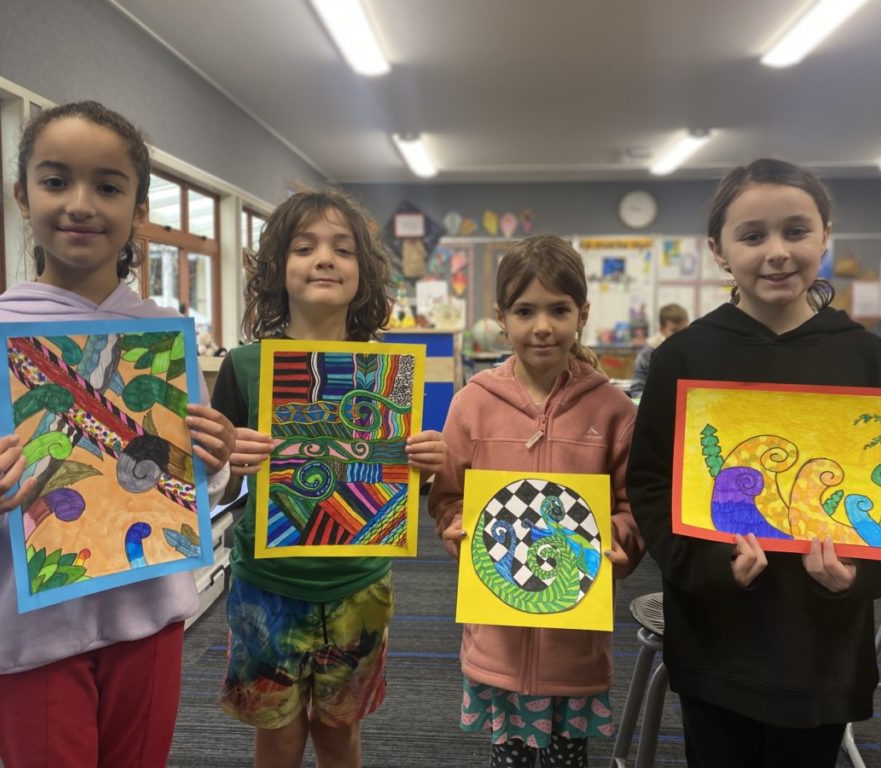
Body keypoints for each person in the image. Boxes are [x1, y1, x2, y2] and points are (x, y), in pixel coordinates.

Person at [0, 101, 235, 767]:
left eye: (108, 186)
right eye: (56, 180)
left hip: (149, 621)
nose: (80, 204)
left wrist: (213, 462)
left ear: (138, 208)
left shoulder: (159, 337)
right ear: (21, 196)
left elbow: (188, 485)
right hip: (29, 635)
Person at [626, 158, 881, 767]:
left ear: (825, 236)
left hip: (821, 646)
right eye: (753, 235)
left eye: (796, 231)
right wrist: (706, 563)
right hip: (717, 637)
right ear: (719, 251)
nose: (777, 252)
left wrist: (862, 575)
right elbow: (649, 483)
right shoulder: (685, 357)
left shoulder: (871, 361)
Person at [212, 189, 447, 768]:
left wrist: (423, 465)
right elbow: (218, 488)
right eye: (304, 247)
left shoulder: (387, 372)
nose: (324, 259)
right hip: (267, 584)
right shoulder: (244, 366)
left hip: (358, 585)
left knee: (340, 731)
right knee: (277, 734)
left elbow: (395, 485)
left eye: (343, 249)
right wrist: (226, 460)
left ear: (363, 274)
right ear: (277, 269)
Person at [428, 234, 645, 768]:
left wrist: (621, 542)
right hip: (498, 633)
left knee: (569, 758)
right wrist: (455, 526)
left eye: (558, 310)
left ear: (582, 315)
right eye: (525, 311)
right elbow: (449, 496)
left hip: (574, 640)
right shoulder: (472, 404)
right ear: (501, 318)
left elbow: (631, 506)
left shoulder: (613, 410)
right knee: (509, 756)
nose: (542, 326)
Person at [628, 303, 689, 398]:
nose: (680, 335)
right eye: (674, 331)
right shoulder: (647, 352)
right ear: (661, 329)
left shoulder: (688, 351)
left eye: (685, 330)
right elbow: (637, 389)